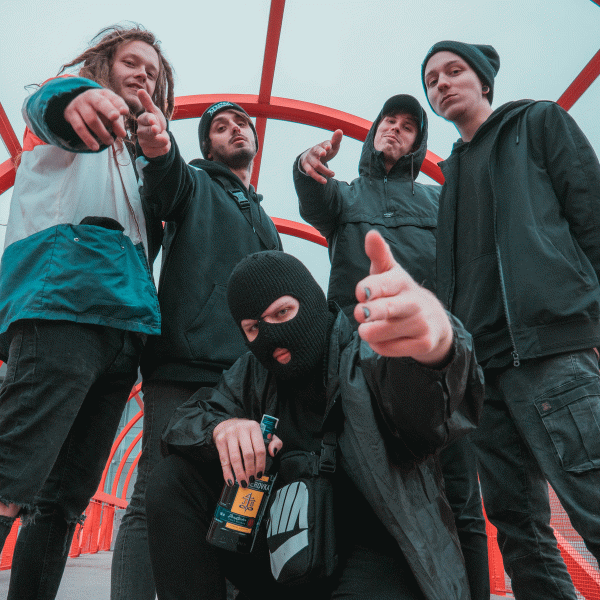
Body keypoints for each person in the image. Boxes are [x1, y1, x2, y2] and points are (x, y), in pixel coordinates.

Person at [144, 230, 485, 600]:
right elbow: (185, 420)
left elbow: (425, 407)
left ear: (311, 301)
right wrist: (221, 428)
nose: (271, 335)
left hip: (373, 557)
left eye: (283, 312)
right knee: (173, 479)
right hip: (286, 552)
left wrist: (439, 346)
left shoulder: (366, 356)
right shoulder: (253, 375)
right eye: (254, 328)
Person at [0, 24, 174, 600]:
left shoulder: (138, 163)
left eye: (152, 71)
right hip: (62, 309)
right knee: (11, 474)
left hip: (123, 332)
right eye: (131, 63)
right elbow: (47, 104)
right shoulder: (77, 119)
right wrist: (78, 96)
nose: (143, 74)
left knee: (64, 500)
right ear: (103, 69)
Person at [422, 40, 600, 599]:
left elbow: (592, 217)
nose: (442, 84)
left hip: (550, 350)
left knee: (593, 501)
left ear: (484, 81)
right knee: (519, 532)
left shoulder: (538, 123)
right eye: (432, 80)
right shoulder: (451, 177)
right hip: (484, 376)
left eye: (453, 71)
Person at [293, 95, 489, 599]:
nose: (395, 129)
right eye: (388, 121)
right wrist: (305, 166)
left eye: (408, 126)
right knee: (364, 488)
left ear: (417, 143)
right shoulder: (344, 195)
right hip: (360, 358)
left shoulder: (437, 200)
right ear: (373, 131)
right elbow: (314, 200)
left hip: (431, 355)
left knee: (461, 498)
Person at [110, 96, 282, 600]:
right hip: (185, 365)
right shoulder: (196, 182)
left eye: (241, 124)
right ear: (207, 145)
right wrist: (160, 151)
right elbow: (167, 184)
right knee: (154, 490)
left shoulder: (265, 220)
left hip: (247, 379)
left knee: (234, 495)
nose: (235, 130)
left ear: (255, 139)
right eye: (221, 127)